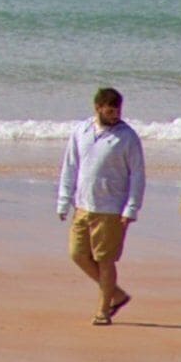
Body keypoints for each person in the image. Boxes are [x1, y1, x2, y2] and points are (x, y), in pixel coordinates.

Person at [55, 85, 142, 325]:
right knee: (77, 254)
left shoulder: (127, 137)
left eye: (118, 110)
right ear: (98, 108)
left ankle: (104, 309)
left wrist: (131, 207)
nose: (116, 114)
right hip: (82, 205)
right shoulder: (81, 130)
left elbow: (137, 174)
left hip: (111, 208)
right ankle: (116, 294)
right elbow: (70, 167)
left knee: (105, 260)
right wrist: (64, 200)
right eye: (111, 110)